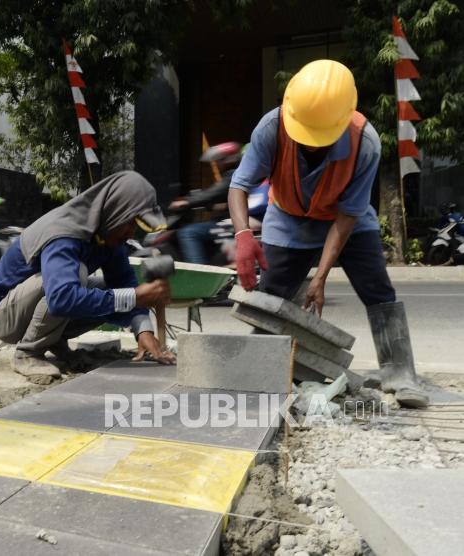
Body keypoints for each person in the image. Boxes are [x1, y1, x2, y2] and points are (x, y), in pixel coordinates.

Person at [228, 59, 427, 408]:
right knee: (273, 294)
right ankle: (264, 367)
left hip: (346, 219)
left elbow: (349, 214)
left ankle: (400, 374)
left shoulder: (365, 142)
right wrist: (244, 234)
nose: (311, 144)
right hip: (288, 216)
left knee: (377, 288)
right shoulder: (272, 127)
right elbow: (239, 186)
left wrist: (321, 276)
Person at [0, 171, 176, 377]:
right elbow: (61, 298)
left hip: (35, 304)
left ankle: (54, 342)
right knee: (77, 279)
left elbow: (124, 283)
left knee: (112, 292)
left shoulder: (109, 237)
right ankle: (28, 353)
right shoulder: (64, 233)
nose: (131, 234)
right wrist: (135, 297)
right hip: (3, 315)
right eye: (130, 224)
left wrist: (143, 330)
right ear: (115, 211)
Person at [171, 142, 242, 264]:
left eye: (220, 160)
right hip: (229, 221)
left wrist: (187, 201)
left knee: (188, 233)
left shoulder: (233, 175)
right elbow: (217, 196)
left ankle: (199, 273)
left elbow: (212, 194)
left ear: (229, 159)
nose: (218, 164)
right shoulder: (233, 175)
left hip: (229, 224)